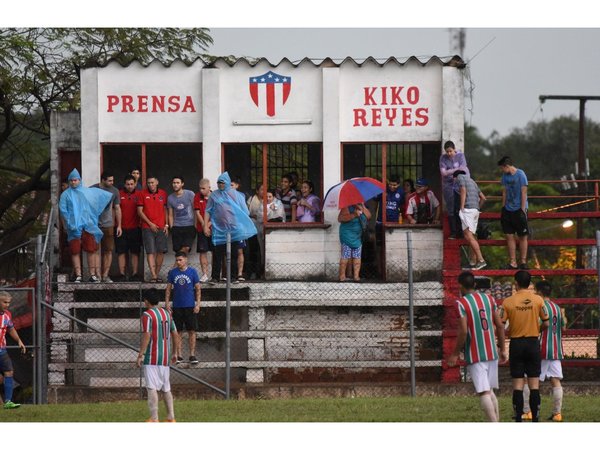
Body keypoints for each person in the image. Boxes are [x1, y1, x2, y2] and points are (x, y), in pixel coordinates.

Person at [447, 272, 507, 422]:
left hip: (475, 353)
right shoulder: (489, 299)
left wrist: (455, 353)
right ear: (474, 284)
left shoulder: (461, 303)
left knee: (484, 392)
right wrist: (503, 348)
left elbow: (463, 331)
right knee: (490, 390)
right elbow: (500, 325)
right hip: (491, 351)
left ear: (460, 285)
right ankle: (496, 422)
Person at [499, 270, 550, 422]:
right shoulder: (538, 300)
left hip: (516, 344)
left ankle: (519, 418)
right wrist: (536, 329)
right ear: (529, 283)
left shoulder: (508, 302)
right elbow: (546, 322)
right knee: (534, 384)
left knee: (518, 384)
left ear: (516, 283)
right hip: (533, 342)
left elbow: (501, 325)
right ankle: (535, 417)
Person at [522, 281, 566, 422]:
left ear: (540, 292)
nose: (534, 292)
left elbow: (538, 325)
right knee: (556, 381)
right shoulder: (558, 308)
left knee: (529, 380)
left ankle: (528, 411)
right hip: (555, 350)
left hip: (540, 349)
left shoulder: (538, 306)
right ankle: (557, 413)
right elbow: (563, 327)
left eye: (535, 290)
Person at [59, 168, 113, 283]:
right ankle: (78, 275)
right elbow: (63, 211)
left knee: (91, 250)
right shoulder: (65, 195)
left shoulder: (87, 192)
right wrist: (69, 223)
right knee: (75, 251)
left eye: (76, 180)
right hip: (73, 227)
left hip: (88, 226)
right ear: (69, 181)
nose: (74, 182)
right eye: (72, 180)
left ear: (79, 180)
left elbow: (100, 200)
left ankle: (92, 275)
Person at [204, 172, 257, 283]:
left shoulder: (236, 195)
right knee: (218, 254)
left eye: (222, 183)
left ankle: (233, 277)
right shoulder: (214, 195)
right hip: (219, 229)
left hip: (234, 229)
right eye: (218, 183)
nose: (220, 185)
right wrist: (206, 225)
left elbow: (244, 212)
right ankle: (215, 277)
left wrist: (242, 225)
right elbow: (208, 211)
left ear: (227, 183)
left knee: (233, 253)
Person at [136, 288, 179, 423]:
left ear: (146, 301)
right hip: (165, 357)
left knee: (152, 388)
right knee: (166, 388)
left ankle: (154, 418)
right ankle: (171, 417)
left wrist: (141, 354)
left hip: (152, 357)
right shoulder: (167, 313)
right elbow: (175, 333)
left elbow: (147, 334)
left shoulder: (147, 315)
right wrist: (175, 352)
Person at [165, 251, 201, 366]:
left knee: (192, 330)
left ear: (186, 259)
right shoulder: (172, 273)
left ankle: (192, 354)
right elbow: (168, 289)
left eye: (180, 260)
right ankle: (179, 355)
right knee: (178, 331)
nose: (178, 262)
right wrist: (167, 303)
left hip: (190, 305)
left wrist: (198, 304)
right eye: (177, 260)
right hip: (177, 306)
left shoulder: (193, 272)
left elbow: (198, 289)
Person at [498, 156, 529, 270]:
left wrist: (522, 209)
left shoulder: (520, 174)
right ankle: (513, 261)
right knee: (509, 235)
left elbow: (524, 192)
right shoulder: (505, 177)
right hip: (508, 209)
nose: (502, 170)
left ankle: (523, 261)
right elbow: (504, 192)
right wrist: (503, 207)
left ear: (506, 166)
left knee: (522, 236)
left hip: (518, 208)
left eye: (502, 168)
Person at [92, 171, 122, 283]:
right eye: (109, 180)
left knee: (108, 250)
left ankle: (105, 275)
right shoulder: (93, 189)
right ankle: (97, 275)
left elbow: (117, 208)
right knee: (95, 250)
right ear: (103, 180)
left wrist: (119, 225)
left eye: (112, 180)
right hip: (94, 224)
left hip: (108, 224)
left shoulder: (114, 191)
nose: (112, 182)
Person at [137, 175, 169, 283]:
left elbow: (165, 210)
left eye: (152, 182)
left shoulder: (163, 193)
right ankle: (153, 275)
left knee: (161, 251)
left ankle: (157, 273)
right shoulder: (142, 194)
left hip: (161, 227)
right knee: (150, 251)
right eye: (149, 183)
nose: (151, 185)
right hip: (147, 227)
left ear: (157, 182)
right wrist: (150, 224)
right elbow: (140, 211)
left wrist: (166, 224)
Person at [454, 170, 487, 270]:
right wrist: (477, 208)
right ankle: (473, 262)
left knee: (468, 235)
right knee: (470, 236)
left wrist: (462, 207)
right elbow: (483, 198)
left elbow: (463, 190)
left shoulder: (460, 177)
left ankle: (481, 260)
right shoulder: (472, 181)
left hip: (467, 210)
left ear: (454, 177)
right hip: (475, 210)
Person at [0, 291, 27, 409]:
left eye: (9, 303)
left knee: (9, 372)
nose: (7, 305)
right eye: (4, 302)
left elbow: (11, 329)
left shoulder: (6, 315)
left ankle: (8, 402)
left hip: (2, 350)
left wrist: (19, 341)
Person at [439, 141, 469, 238]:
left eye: (450, 151)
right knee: (451, 208)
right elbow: (443, 173)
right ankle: (453, 232)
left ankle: (461, 232)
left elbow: (463, 168)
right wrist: (456, 170)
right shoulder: (443, 158)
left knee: (460, 207)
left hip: (459, 184)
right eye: (447, 152)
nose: (449, 154)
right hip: (448, 186)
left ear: (454, 149)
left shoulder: (460, 156)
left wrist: (449, 171)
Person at [115, 175, 142, 281]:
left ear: (135, 184)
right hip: (121, 228)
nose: (130, 186)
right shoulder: (119, 194)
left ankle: (135, 274)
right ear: (124, 184)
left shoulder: (140, 194)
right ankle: (122, 274)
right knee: (121, 252)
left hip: (135, 228)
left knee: (135, 252)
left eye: (132, 184)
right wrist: (118, 225)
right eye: (128, 184)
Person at [338, 203, 371, 282]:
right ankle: (342, 276)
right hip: (347, 234)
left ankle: (356, 276)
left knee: (357, 255)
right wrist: (354, 215)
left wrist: (362, 207)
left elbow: (369, 216)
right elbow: (340, 218)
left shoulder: (362, 206)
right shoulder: (346, 207)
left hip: (357, 236)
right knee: (346, 255)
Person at [167, 176, 196, 255]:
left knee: (185, 248)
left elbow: (196, 210)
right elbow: (170, 214)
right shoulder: (170, 198)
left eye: (177, 183)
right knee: (178, 251)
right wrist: (172, 227)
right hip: (177, 227)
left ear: (182, 184)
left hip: (189, 226)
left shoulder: (190, 194)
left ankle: (175, 267)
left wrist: (195, 225)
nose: (175, 185)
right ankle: (180, 266)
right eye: (174, 183)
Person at [194, 178, 212, 283]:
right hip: (201, 229)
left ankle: (216, 274)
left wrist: (209, 225)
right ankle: (204, 274)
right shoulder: (197, 196)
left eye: (203, 188)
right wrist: (204, 226)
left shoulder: (215, 196)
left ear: (209, 188)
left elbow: (217, 214)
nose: (201, 190)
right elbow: (197, 213)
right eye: (200, 188)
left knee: (216, 252)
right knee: (203, 251)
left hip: (214, 228)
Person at [230, 176, 248, 281]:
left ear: (237, 186)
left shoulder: (241, 196)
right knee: (228, 251)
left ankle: (240, 273)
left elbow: (245, 212)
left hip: (239, 227)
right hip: (228, 227)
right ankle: (228, 274)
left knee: (239, 250)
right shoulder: (224, 196)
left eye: (232, 185)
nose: (230, 187)